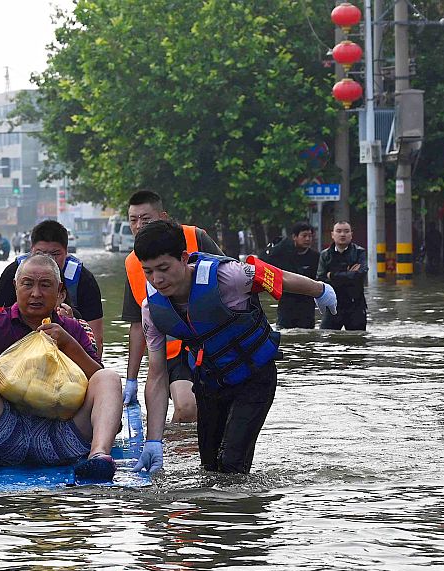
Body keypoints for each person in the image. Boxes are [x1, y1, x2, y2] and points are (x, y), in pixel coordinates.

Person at [132, 220, 337, 475]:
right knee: (209, 470)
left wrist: (320, 290)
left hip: (254, 377)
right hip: (210, 384)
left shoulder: (229, 277)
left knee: (232, 464)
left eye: (163, 268)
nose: (157, 279)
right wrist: (154, 441)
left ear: (184, 258)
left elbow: (277, 278)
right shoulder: (152, 310)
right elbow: (157, 374)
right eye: (148, 271)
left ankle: (245, 513)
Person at [0, 254, 123, 482]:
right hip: (5, 435)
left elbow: (96, 377)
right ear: (16, 287)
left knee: (108, 377)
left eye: (45, 285)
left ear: (60, 291)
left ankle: (99, 456)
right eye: (28, 284)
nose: (36, 294)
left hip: (62, 437)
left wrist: (68, 344)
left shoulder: (72, 329)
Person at [120, 190, 222, 423]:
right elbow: (137, 325)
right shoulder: (132, 263)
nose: (138, 226)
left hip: (213, 341)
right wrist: (132, 380)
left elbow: (231, 281)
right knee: (187, 408)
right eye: (133, 220)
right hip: (172, 349)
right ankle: (169, 452)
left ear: (163, 217)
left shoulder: (196, 237)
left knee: (216, 412)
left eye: (146, 219)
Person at [0, 219, 105, 357]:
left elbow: (96, 339)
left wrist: (70, 326)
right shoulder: (12, 273)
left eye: (55, 254)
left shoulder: (84, 280)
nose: (49, 260)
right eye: (27, 284)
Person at [264, 221, 320, 329]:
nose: (308, 239)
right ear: (294, 237)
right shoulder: (283, 254)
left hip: (306, 306)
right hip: (286, 304)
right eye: (304, 236)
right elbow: (265, 263)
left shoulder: (316, 257)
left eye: (310, 236)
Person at [317, 221, 368, 331]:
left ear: (351, 234)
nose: (342, 234)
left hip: (356, 304)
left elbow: (360, 275)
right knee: (326, 338)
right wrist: (348, 274)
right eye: (339, 231)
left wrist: (333, 275)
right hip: (332, 305)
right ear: (332, 235)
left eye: (346, 231)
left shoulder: (359, 252)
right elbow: (321, 279)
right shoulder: (325, 255)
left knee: (358, 341)